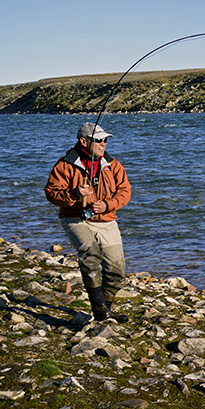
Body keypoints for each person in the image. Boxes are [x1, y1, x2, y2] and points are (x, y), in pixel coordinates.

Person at [45, 122, 132, 322]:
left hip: (106, 219)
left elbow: (125, 192)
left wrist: (108, 205)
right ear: (84, 142)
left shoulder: (113, 165)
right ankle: (99, 310)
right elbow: (51, 193)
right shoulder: (64, 165)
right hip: (74, 218)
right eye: (98, 140)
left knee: (117, 269)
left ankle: (105, 309)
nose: (103, 144)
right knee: (90, 254)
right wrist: (74, 194)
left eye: (105, 140)